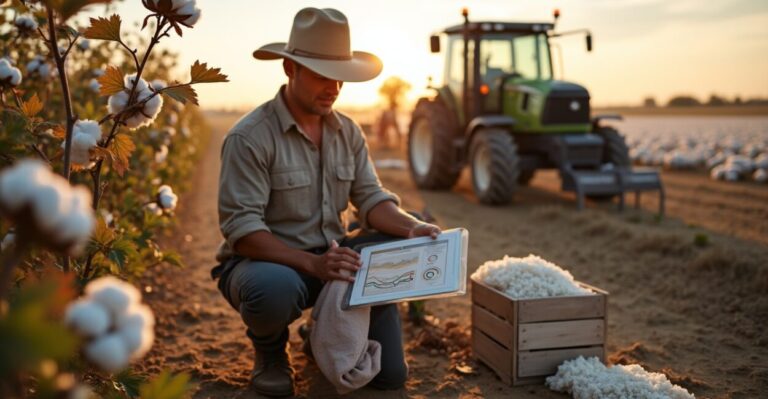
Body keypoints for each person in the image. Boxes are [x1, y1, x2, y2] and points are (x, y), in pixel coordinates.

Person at [212, 7, 441, 397]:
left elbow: (370, 199)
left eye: (340, 77)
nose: (333, 88)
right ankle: (270, 350)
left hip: (334, 260)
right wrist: (313, 264)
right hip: (271, 264)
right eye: (321, 75)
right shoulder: (249, 137)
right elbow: (243, 231)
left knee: (389, 376)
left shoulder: (348, 132)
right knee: (272, 290)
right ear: (290, 68)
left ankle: (320, 330)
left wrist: (412, 227)